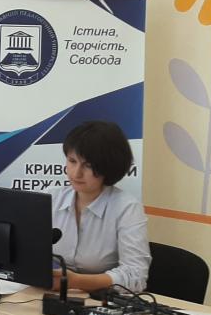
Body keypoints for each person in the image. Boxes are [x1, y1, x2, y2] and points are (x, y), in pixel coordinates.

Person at [49, 120, 150, 293]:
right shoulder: (51, 197)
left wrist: (77, 282)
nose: (76, 173)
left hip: (102, 299)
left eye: (88, 165)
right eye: (72, 161)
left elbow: (136, 275)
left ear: (108, 167)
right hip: (48, 294)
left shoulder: (127, 208)